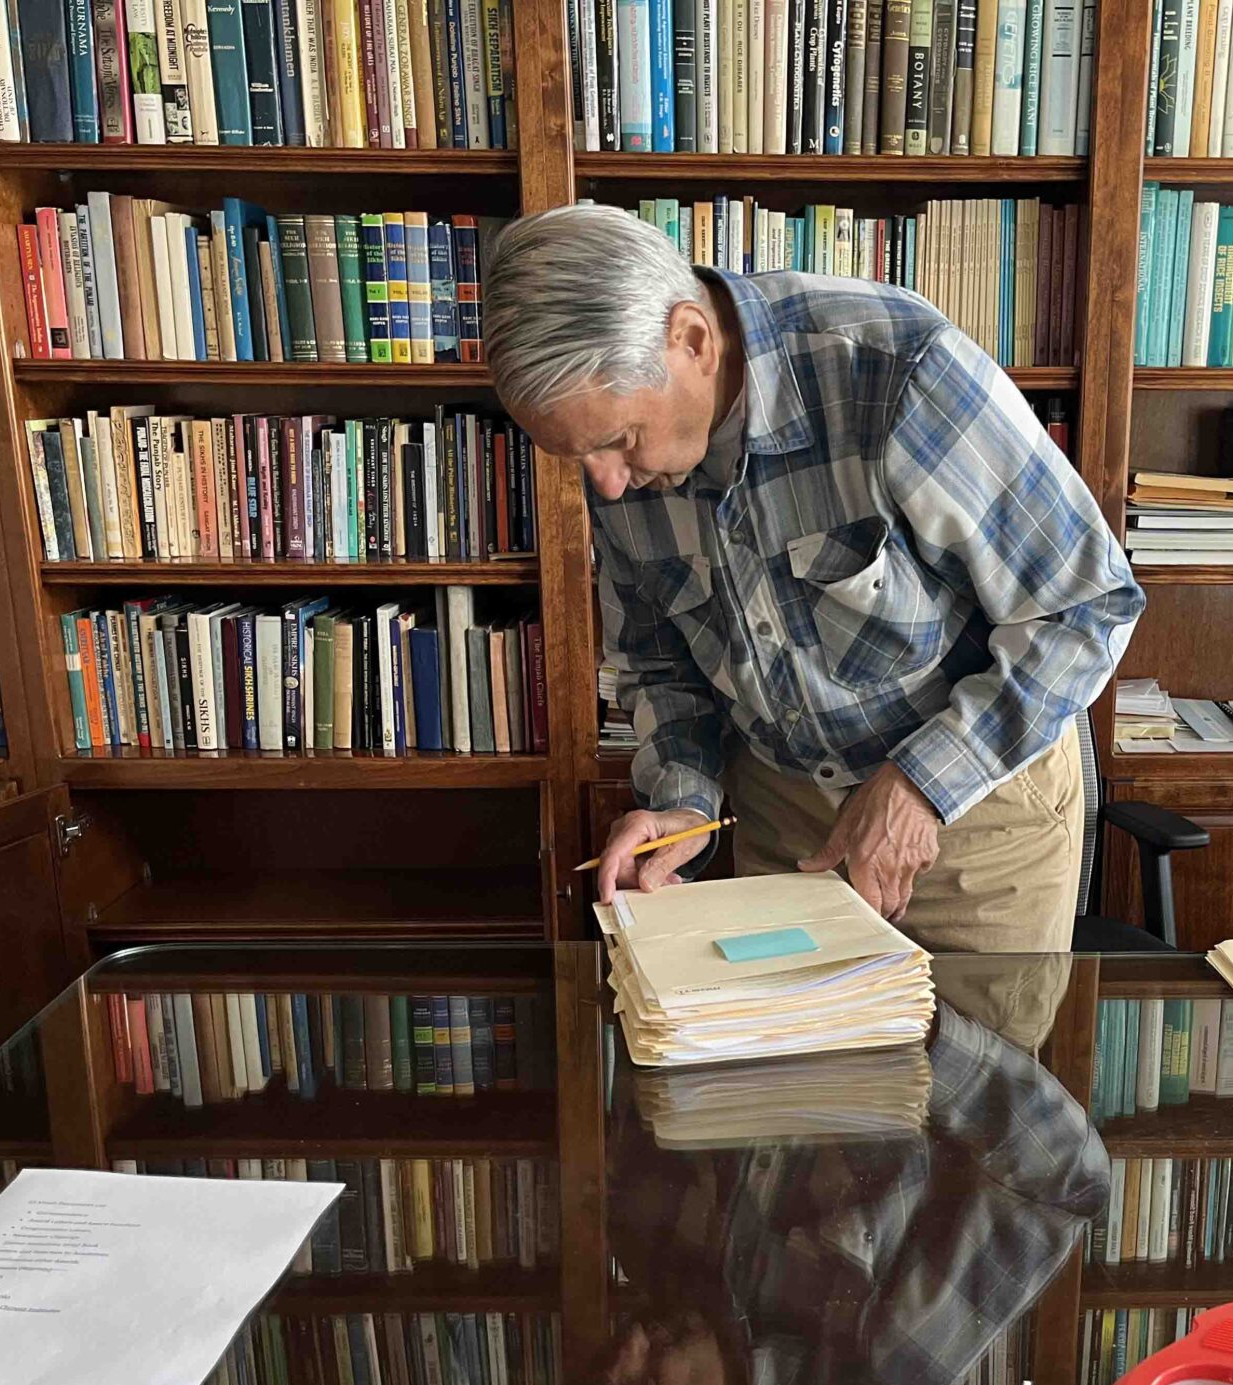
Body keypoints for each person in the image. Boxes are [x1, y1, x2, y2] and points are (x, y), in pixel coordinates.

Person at [483, 205, 1142, 952]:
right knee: (798, 1065)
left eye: (620, 440)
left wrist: (920, 786)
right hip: (785, 823)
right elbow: (660, 663)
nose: (604, 485)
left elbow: (1087, 606)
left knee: (978, 1066)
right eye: (577, 456)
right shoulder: (619, 465)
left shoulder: (894, 366)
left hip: (972, 815)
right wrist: (683, 803)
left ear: (692, 340)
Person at [534, 1000, 1110, 1385]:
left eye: (606, 1364)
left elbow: (653, 1041)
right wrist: (918, 1031)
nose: (633, 1340)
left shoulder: (641, 1237)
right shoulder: (884, 1368)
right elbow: (1069, 1180)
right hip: (939, 980)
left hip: (763, 942)